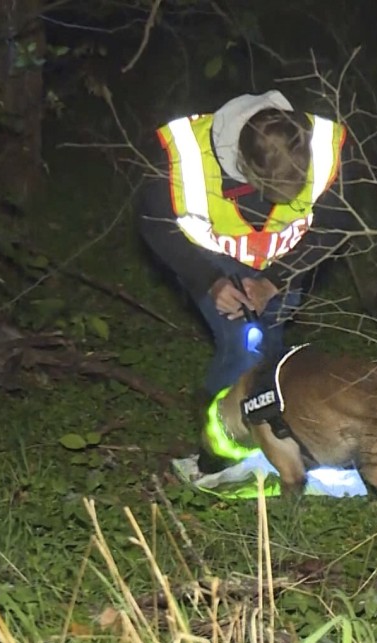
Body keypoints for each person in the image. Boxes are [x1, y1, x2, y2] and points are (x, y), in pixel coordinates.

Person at [138, 90, 357, 429]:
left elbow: (336, 222)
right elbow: (154, 223)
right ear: (243, 166)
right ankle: (216, 441)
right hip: (212, 262)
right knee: (244, 348)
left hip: (286, 262)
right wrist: (210, 282)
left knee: (271, 354)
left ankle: (267, 437)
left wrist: (275, 280)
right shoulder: (184, 155)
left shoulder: (325, 148)